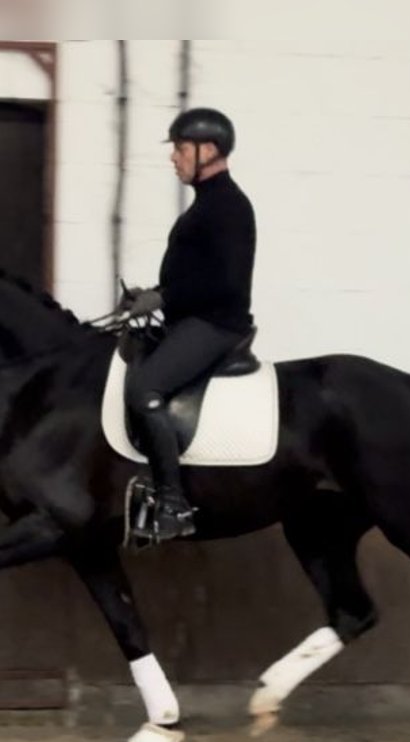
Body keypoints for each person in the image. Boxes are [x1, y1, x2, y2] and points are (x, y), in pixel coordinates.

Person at [122, 107, 258, 542]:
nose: (174, 158)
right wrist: (153, 294)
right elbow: (194, 275)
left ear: (209, 150)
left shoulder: (229, 207)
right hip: (194, 318)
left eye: (181, 149)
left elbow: (225, 282)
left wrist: (163, 297)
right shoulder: (206, 205)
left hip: (217, 325)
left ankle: (173, 504)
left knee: (145, 390)